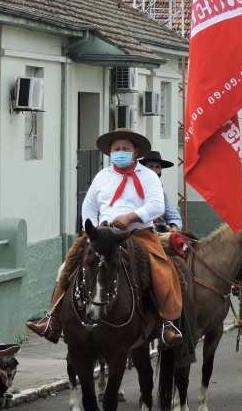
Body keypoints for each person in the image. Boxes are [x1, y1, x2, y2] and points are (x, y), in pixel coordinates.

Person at [27, 127, 183, 348]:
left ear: (135, 151)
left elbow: (157, 206)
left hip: (139, 233)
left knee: (161, 270)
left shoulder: (148, 176)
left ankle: (165, 324)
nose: (120, 152)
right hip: (102, 234)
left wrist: (130, 217)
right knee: (66, 267)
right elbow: (89, 206)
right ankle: (53, 321)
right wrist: (92, 230)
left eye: (125, 149)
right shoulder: (102, 176)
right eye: (116, 149)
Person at [139, 150, 182, 231]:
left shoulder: (161, 192)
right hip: (139, 231)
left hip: (160, 231)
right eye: (151, 167)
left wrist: (174, 227)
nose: (155, 171)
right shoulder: (134, 187)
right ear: (144, 169)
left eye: (157, 167)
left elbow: (174, 217)